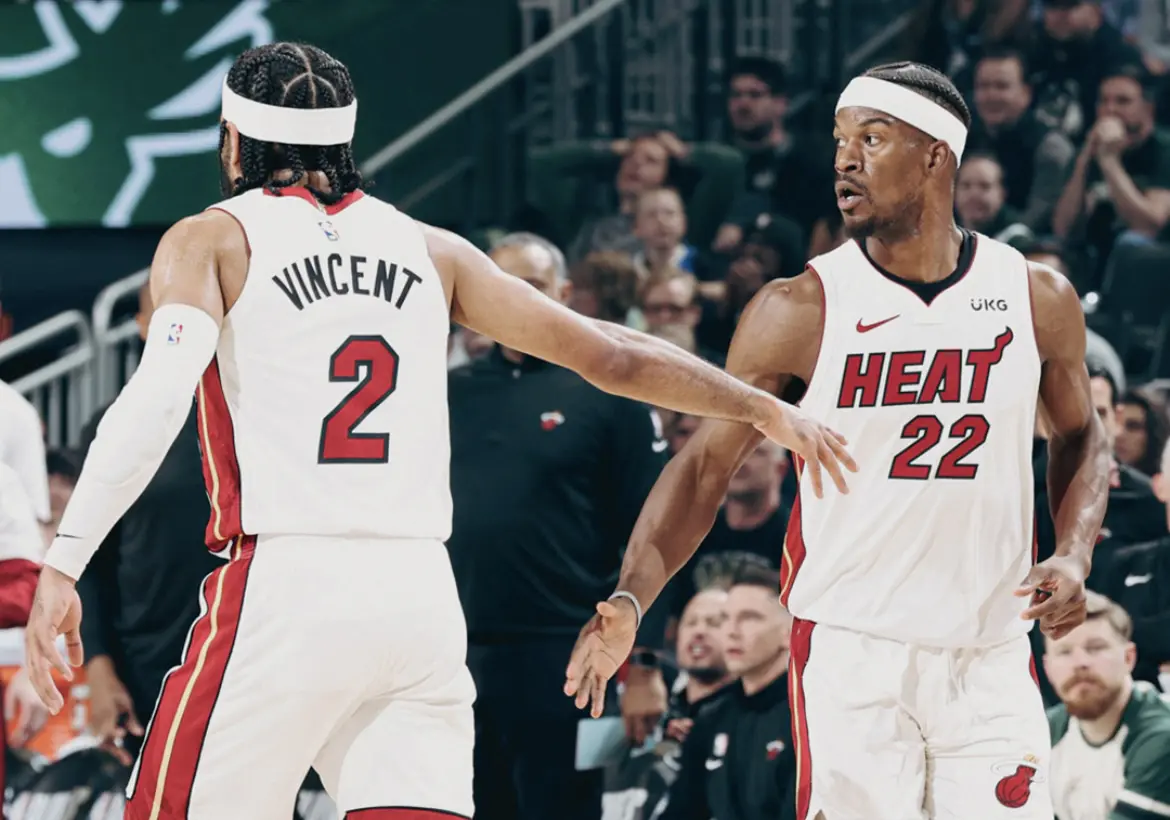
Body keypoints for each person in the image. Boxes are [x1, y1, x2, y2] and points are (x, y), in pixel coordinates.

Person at [22, 42, 851, 820]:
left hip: (289, 585)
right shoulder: (431, 248)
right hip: (419, 596)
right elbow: (613, 353)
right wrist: (758, 404)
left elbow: (156, 396)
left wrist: (64, 561)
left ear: (233, 139)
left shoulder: (212, 237)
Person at [566, 60, 1111, 820]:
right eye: (839, 140)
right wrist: (632, 596)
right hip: (855, 652)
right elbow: (703, 469)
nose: (845, 161)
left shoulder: (1033, 295)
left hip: (988, 648)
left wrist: (1075, 552)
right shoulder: (800, 307)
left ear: (936, 156)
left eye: (872, 139)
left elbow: (1083, 438)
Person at [1044, 592, 1170, 819]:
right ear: (1048, 668)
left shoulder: (1162, 736)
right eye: (1064, 652)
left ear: (1128, 658)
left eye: (1095, 648)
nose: (1080, 662)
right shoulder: (1045, 730)